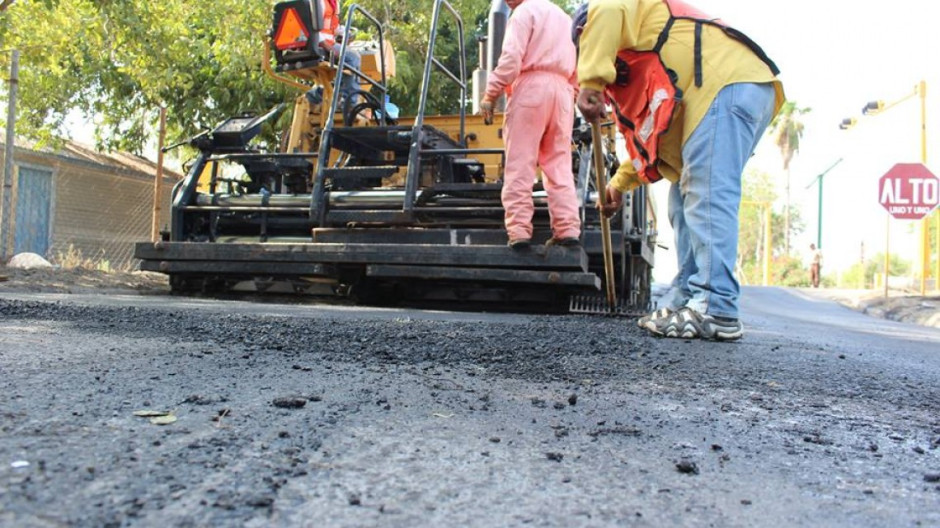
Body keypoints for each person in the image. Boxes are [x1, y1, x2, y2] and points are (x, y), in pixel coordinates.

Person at [572, 0, 784, 340]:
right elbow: (648, 144)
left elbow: (606, 11)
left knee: (705, 191)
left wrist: (591, 81)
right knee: (682, 198)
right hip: (729, 93)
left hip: (724, 84)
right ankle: (688, 297)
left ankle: (717, 306)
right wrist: (617, 185)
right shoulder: (641, 64)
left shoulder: (617, 11)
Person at [479, 0, 581, 250]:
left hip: (531, 91)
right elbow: (578, 69)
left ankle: (519, 231)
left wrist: (490, 94)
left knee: (520, 165)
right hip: (564, 94)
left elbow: (511, 60)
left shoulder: (523, 13)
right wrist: (572, 96)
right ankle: (568, 229)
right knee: (559, 167)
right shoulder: (565, 18)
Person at [317, 0, 361, 105]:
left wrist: (345, 32)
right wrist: (328, 47)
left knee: (349, 59)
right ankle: (349, 103)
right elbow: (309, 27)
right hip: (318, 44)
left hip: (327, 42)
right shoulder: (318, 2)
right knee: (353, 58)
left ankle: (320, 96)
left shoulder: (332, 3)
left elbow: (332, 27)